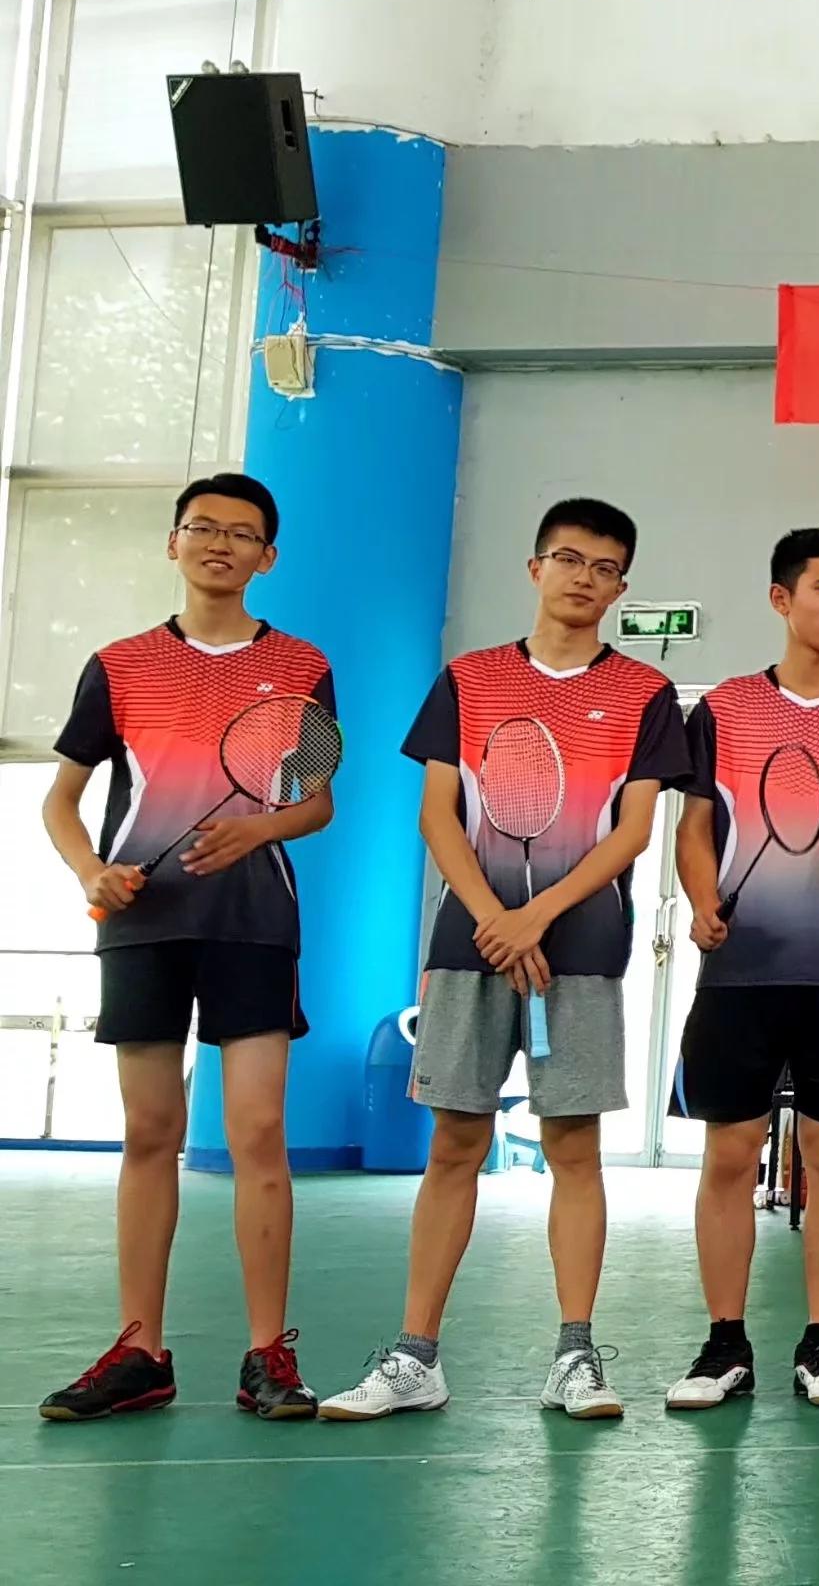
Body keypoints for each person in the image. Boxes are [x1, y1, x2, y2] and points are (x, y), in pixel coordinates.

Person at [323, 498, 688, 1422]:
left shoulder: (644, 693)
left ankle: (575, 1357)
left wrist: (538, 918)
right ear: (535, 568)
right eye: (568, 558)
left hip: (583, 950)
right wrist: (495, 917)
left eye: (604, 568)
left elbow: (632, 832)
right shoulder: (470, 679)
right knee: (455, 1141)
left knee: (574, 1146)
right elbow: (438, 814)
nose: (583, 578)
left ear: (621, 587)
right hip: (470, 945)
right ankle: (416, 1358)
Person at [38, 475, 333, 1423]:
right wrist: (91, 872)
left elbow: (316, 801)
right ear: (173, 543)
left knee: (257, 1132)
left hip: (253, 922)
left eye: (242, 534)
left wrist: (259, 829)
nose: (220, 544)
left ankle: (267, 1354)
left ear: (266, 557)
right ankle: (139, 1352)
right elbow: (62, 801)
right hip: (144, 923)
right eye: (202, 527)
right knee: (151, 1133)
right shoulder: (118, 665)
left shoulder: (301, 665)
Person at [661, 529, 819, 1411]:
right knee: (730, 1153)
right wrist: (701, 899)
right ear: (782, 599)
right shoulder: (723, 709)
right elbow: (695, 828)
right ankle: (724, 1343)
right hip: (740, 974)